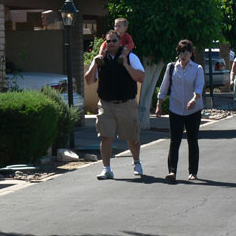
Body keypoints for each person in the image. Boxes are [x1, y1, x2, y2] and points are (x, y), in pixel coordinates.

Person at [84, 30, 145, 180]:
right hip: (106, 104)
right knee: (105, 137)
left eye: (114, 41)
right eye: (108, 41)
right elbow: (89, 80)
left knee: (132, 138)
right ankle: (107, 169)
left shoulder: (130, 57)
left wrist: (125, 64)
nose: (111, 44)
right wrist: (95, 63)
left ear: (120, 43)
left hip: (126, 103)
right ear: (105, 43)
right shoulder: (101, 59)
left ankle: (136, 162)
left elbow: (141, 77)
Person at [156, 40, 204, 183]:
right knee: (174, 140)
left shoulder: (197, 68)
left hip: (193, 110)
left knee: (192, 140)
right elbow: (164, 87)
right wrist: (159, 104)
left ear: (191, 53)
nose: (183, 55)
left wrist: (194, 99)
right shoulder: (171, 67)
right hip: (175, 109)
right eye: (180, 52)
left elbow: (199, 87)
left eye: (186, 52)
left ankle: (193, 172)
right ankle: (172, 171)